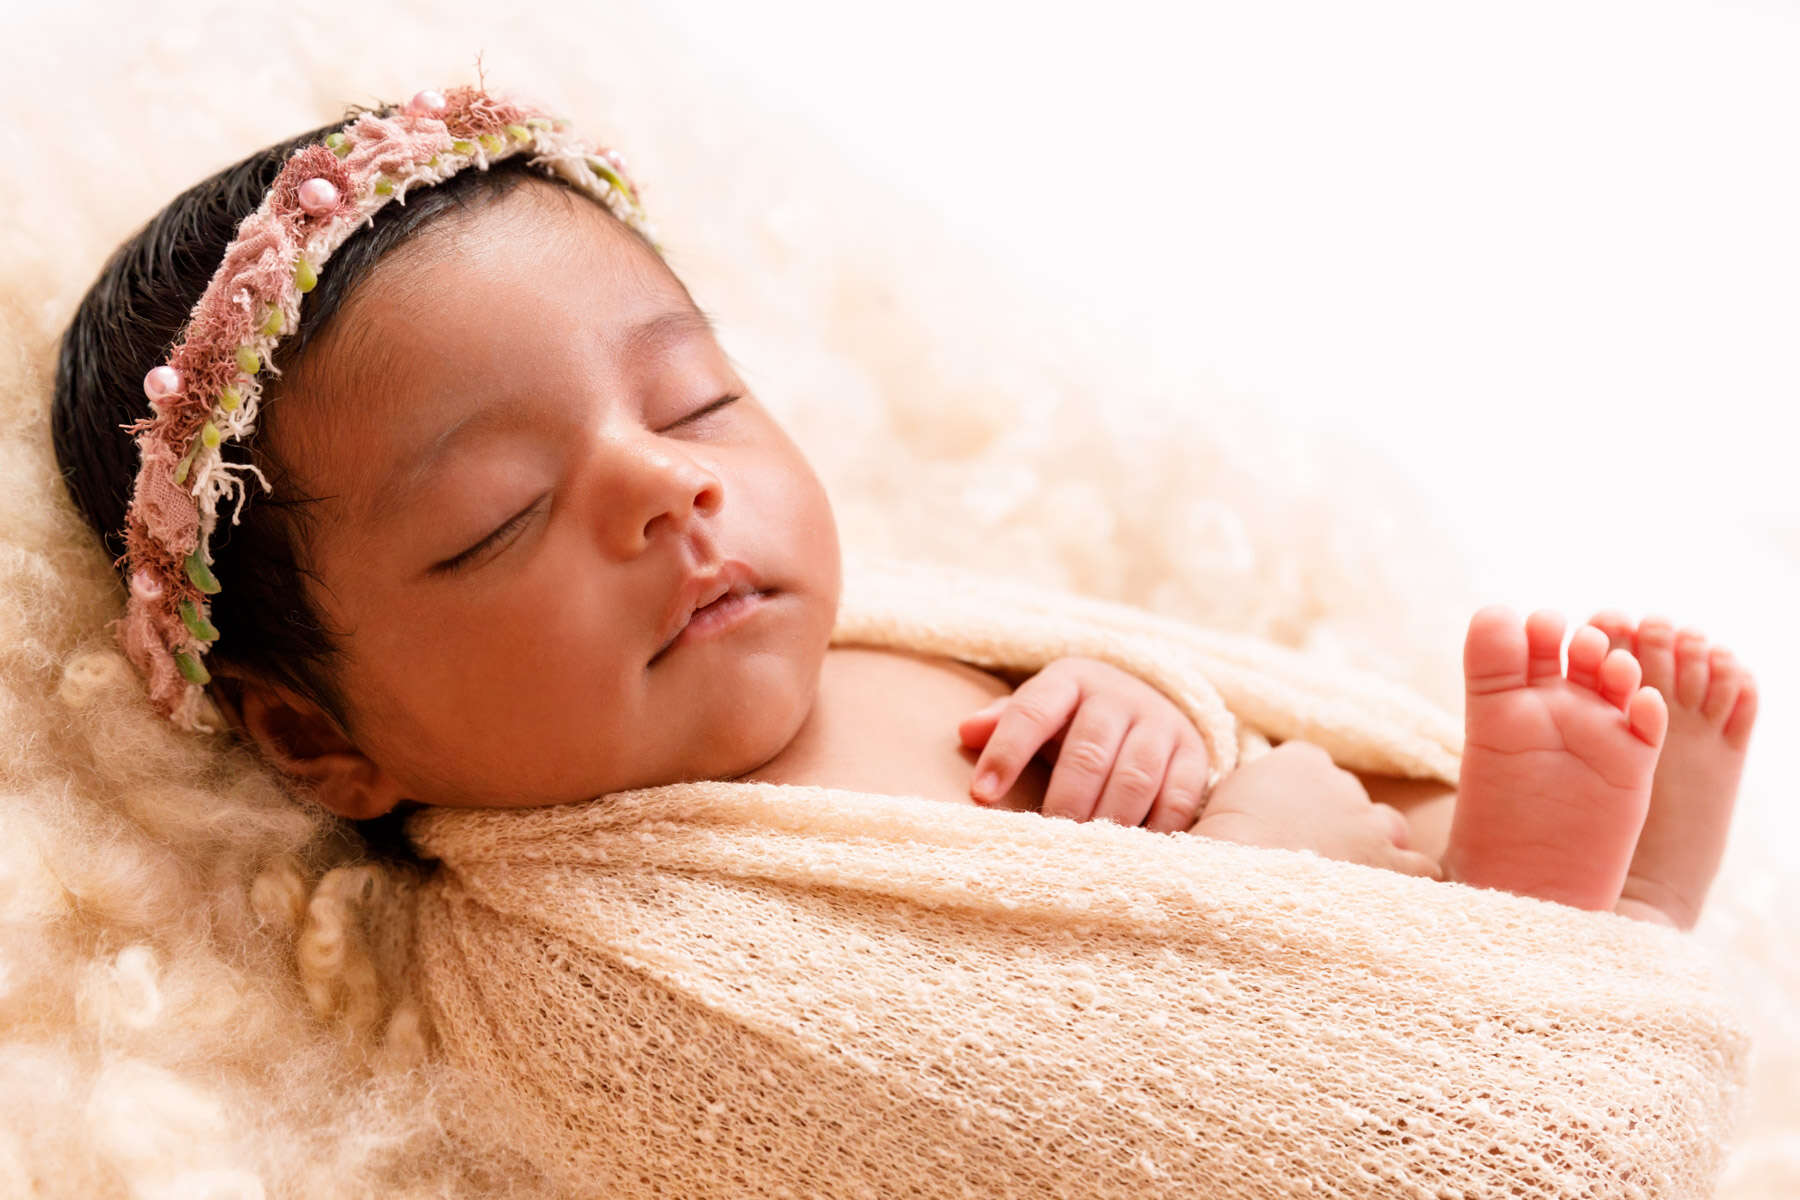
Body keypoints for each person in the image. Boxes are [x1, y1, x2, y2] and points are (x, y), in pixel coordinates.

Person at [51, 85, 1757, 936]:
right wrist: (1228, 897)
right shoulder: (620, 941)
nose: (672, 484)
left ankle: (1573, 919)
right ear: (312, 734)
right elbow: (974, 1106)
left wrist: (1140, 714)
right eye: (500, 516)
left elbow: (1114, 702)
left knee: (1402, 846)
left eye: (696, 400)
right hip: (1262, 996)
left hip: (1299, 868)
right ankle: (1530, 937)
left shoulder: (875, 641)